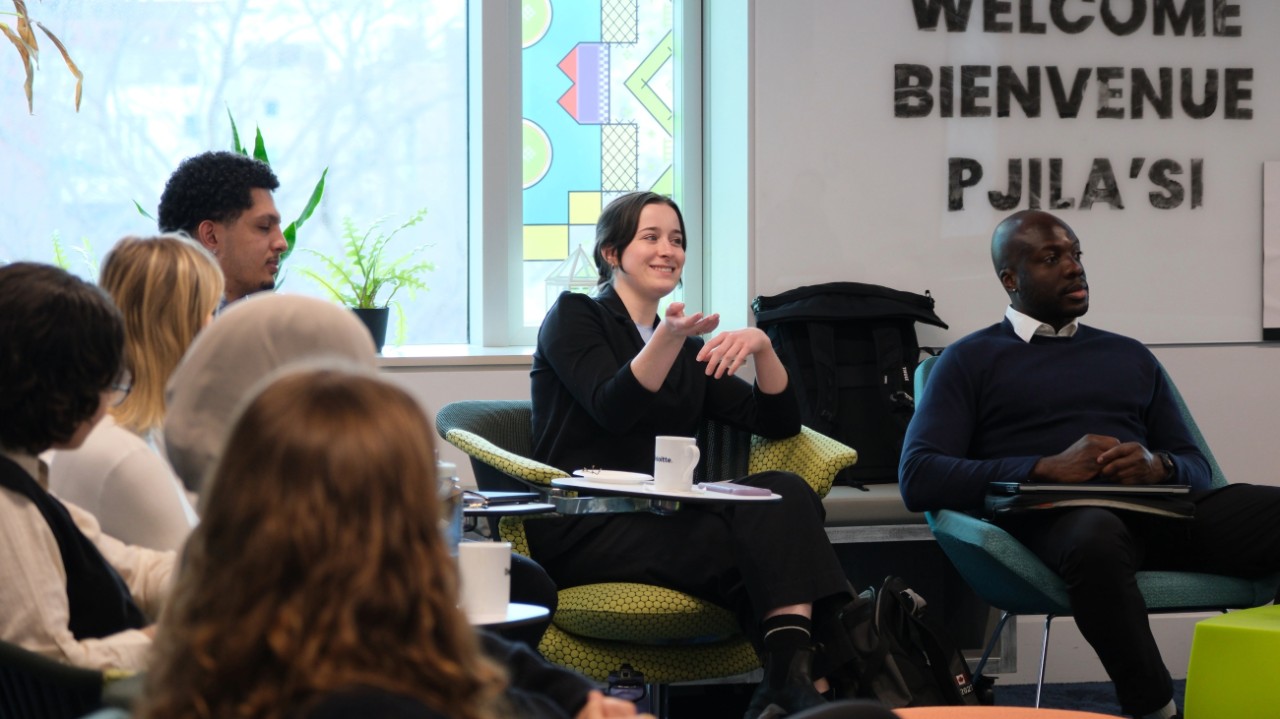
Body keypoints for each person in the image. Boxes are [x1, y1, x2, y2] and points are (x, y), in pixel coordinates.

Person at [898, 209, 1280, 719]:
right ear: (1010, 279)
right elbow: (918, 476)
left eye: (1076, 254)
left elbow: (1196, 467)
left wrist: (1158, 465)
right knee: (1095, 535)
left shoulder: (1129, 355)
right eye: (1052, 258)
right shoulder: (968, 360)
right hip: (1057, 519)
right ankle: (1156, 709)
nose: (1074, 267)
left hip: (1159, 514)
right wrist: (1042, 468)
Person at [529, 191, 859, 719]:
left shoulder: (683, 348)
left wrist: (764, 347)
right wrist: (666, 337)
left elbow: (777, 423)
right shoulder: (576, 316)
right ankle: (812, 684)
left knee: (785, 492)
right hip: (588, 523)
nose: (668, 250)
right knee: (773, 545)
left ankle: (789, 680)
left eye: (677, 240)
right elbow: (613, 407)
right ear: (612, 253)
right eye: (651, 237)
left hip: (669, 521)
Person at [139, 367, 560, 719]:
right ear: (402, 524)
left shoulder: (213, 656)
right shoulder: (381, 698)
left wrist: (570, 695)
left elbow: (457, 649)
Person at [0, 263, 174, 670]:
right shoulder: (9, 509)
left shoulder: (24, 477)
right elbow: (47, 663)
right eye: (104, 379)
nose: (110, 396)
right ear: (61, 388)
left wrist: (226, 576)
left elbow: (132, 568)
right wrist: (163, 640)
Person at [50, 234, 223, 550]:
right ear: (179, 327)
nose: (215, 329)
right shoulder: (124, 453)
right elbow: (190, 587)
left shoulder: (139, 427)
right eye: (209, 312)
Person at [157, 150, 286, 305]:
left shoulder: (247, 323)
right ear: (211, 236)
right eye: (264, 227)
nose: (282, 243)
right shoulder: (179, 327)